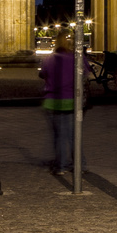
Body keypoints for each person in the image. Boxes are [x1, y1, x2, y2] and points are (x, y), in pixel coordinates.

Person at [39, 33, 79, 174]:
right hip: (71, 100)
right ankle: (80, 164)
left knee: (59, 136)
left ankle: (61, 165)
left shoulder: (49, 59)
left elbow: (43, 73)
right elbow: (85, 73)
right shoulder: (75, 59)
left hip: (52, 101)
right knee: (73, 135)